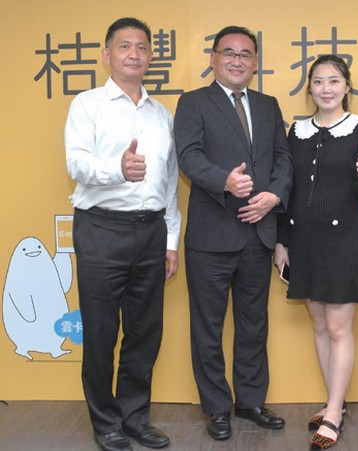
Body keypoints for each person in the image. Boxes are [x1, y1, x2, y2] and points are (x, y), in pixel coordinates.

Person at [65, 17, 181, 451]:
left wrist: (170, 241)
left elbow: (170, 184)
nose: (134, 54)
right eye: (124, 46)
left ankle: (134, 418)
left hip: (151, 231)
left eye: (142, 47)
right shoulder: (88, 105)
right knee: (99, 333)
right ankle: (105, 423)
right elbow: (76, 163)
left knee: (144, 331)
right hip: (101, 229)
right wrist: (117, 168)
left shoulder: (161, 114)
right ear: (107, 54)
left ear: (151, 56)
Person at [173, 25, 293, 441]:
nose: (237, 60)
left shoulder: (268, 105)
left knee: (254, 325)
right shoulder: (193, 102)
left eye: (245, 54)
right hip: (211, 237)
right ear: (213, 59)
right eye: (229, 52)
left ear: (255, 62)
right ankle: (217, 407)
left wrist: (274, 196)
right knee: (207, 328)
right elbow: (188, 156)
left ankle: (251, 402)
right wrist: (224, 180)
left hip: (258, 234)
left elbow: (283, 158)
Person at [274, 55, 358, 450]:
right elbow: (287, 188)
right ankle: (335, 400)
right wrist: (281, 241)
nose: (326, 89)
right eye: (318, 81)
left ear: (347, 86)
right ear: (310, 88)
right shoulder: (297, 130)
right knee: (319, 326)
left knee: (338, 328)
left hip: (344, 241)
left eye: (334, 81)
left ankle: (334, 412)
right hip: (303, 241)